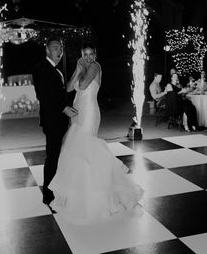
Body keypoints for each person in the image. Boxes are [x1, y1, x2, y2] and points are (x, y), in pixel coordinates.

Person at [48, 43, 144, 224]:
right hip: (78, 111)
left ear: (96, 55)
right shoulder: (83, 66)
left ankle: (101, 194)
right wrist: (77, 68)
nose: (89, 57)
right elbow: (69, 88)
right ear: (81, 55)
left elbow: (82, 86)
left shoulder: (95, 66)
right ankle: (83, 192)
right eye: (86, 54)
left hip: (89, 112)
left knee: (87, 146)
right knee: (77, 150)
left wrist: (81, 68)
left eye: (92, 54)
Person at [32, 37, 78, 206]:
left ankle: (57, 188)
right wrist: (63, 108)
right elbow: (43, 96)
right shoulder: (41, 68)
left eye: (61, 48)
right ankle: (48, 196)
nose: (59, 51)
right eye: (55, 47)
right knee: (52, 157)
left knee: (59, 155)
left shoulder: (57, 70)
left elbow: (59, 93)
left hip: (59, 120)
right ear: (47, 49)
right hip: (51, 121)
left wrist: (69, 105)